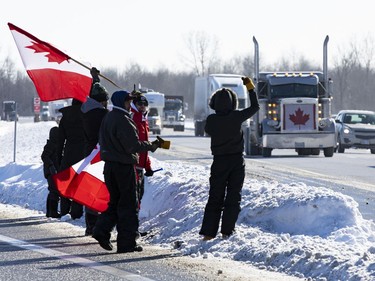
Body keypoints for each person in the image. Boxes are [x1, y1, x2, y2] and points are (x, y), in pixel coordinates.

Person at [92, 90, 161, 253]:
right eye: (128, 102)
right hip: (123, 167)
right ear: (121, 102)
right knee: (129, 205)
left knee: (115, 202)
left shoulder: (109, 117)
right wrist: (150, 146)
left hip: (109, 167)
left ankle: (101, 230)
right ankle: (126, 243)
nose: (130, 105)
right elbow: (132, 145)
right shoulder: (123, 120)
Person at [199, 77, 260, 241]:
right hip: (236, 162)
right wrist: (250, 88)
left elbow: (209, 131)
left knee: (215, 197)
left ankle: (208, 233)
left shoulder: (211, 120)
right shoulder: (237, 116)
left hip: (219, 162)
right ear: (233, 103)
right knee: (233, 197)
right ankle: (227, 231)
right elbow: (255, 107)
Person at [81, 67, 109, 236]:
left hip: (88, 153)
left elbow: (94, 94)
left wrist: (95, 79)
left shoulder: (86, 110)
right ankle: (96, 225)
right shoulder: (102, 114)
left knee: (89, 188)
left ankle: (90, 225)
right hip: (98, 154)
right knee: (99, 190)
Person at [56, 98, 85, 219]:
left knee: (66, 182)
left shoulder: (66, 117)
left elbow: (60, 139)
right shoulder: (86, 115)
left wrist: (58, 158)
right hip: (83, 153)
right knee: (78, 182)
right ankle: (76, 212)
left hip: (68, 152)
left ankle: (64, 210)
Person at [130, 94, 154, 205]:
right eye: (140, 104)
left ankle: (134, 219)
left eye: (145, 104)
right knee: (134, 196)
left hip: (140, 167)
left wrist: (148, 166)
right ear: (134, 105)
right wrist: (150, 145)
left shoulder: (144, 120)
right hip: (133, 165)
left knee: (139, 195)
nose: (142, 106)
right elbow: (136, 144)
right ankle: (130, 220)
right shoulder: (134, 118)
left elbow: (144, 149)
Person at [41, 126, 61, 218]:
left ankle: (49, 212)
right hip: (51, 171)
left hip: (51, 171)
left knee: (52, 190)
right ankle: (52, 212)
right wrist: (51, 166)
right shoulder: (51, 145)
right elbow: (44, 156)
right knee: (54, 191)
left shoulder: (53, 144)